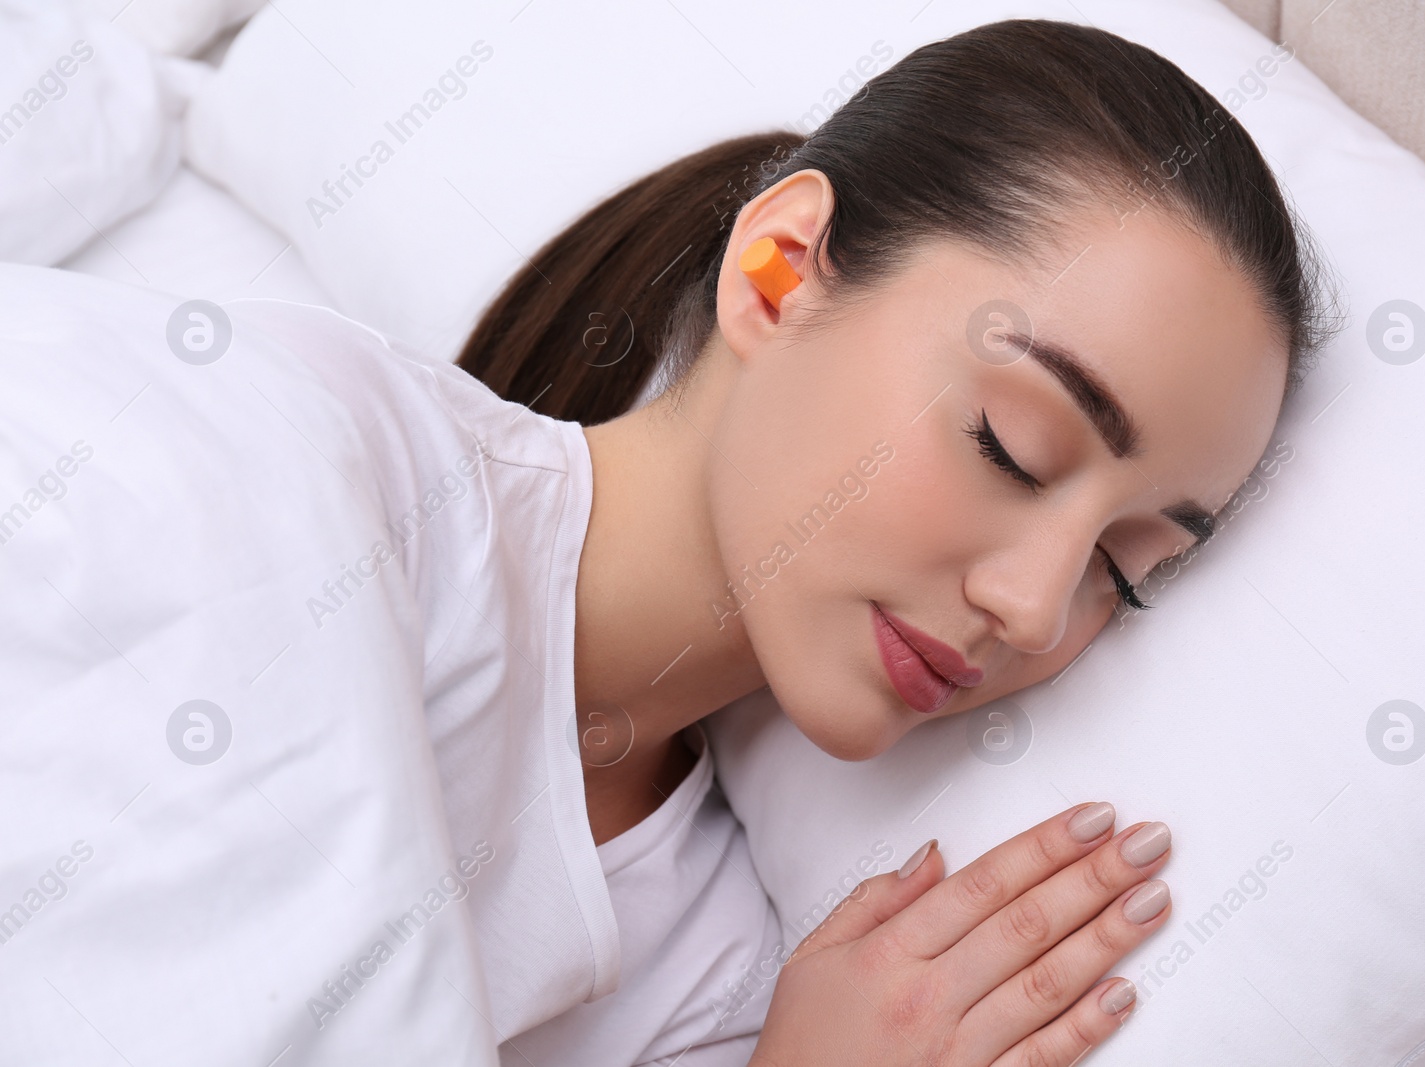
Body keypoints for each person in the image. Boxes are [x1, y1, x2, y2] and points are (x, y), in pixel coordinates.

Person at [440, 15, 1338, 1066]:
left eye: (1121, 571)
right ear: (779, 272)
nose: (1037, 607)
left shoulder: (726, 986)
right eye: (1011, 446)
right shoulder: (308, 455)